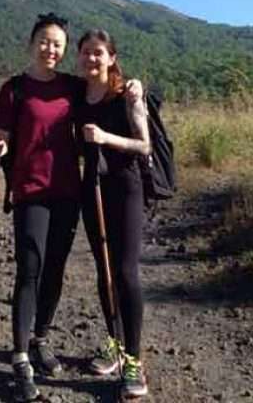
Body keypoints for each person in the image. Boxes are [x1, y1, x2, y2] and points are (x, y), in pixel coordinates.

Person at [0, 13, 84, 402]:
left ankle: (41, 335)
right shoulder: (14, 90)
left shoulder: (73, 89)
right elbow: (5, 135)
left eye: (57, 44)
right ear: (31, 44)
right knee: (30, 268)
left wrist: (131, 88)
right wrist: (0, 147)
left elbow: (104, 96)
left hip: (67, 191)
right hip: (30, 190)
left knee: (56, 269)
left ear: (64, 51)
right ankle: (21, 355)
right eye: (44, 41)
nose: (50, 49)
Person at [75, 28, 151, 398]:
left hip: (126, 189)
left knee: (125, 271)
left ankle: (134, 359)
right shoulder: (77, 93)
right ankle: (115, 342)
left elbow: (143, 144)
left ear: (112, 58)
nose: (92, 59)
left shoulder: (126, 95)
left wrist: (106, 138)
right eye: (86, 52)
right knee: (103, 268)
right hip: (92, 190)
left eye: (99, 53)